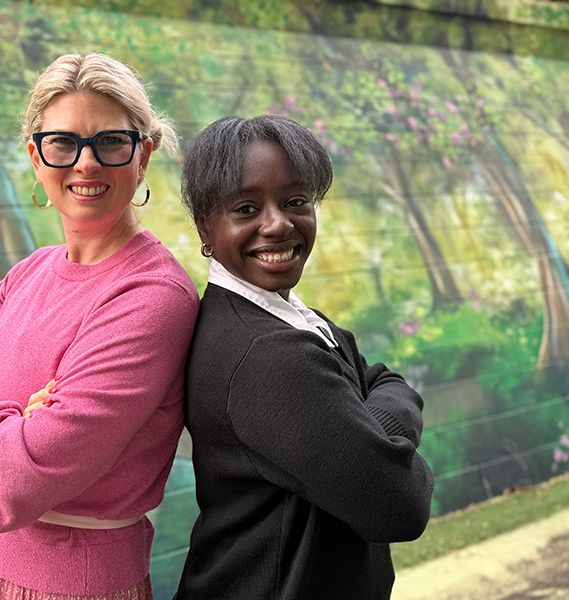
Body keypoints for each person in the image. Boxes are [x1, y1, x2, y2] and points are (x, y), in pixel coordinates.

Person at [0, 53, 199, 600]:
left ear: (143, 156)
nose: (86, 164)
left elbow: (6, 484)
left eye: (111, 142)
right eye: (63, 143)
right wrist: (3, 423)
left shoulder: (150, 297)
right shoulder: (28, 272)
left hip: (70, 586)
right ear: (36, 158)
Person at [174, 115, 435, 599]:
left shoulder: (288, 318)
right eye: (246, 208)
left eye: (296, 202)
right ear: (205, 227)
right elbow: (401, 503)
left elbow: (388, 379)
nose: (277, 224)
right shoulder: (265, 355)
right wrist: (382, 442)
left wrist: (364, 428)